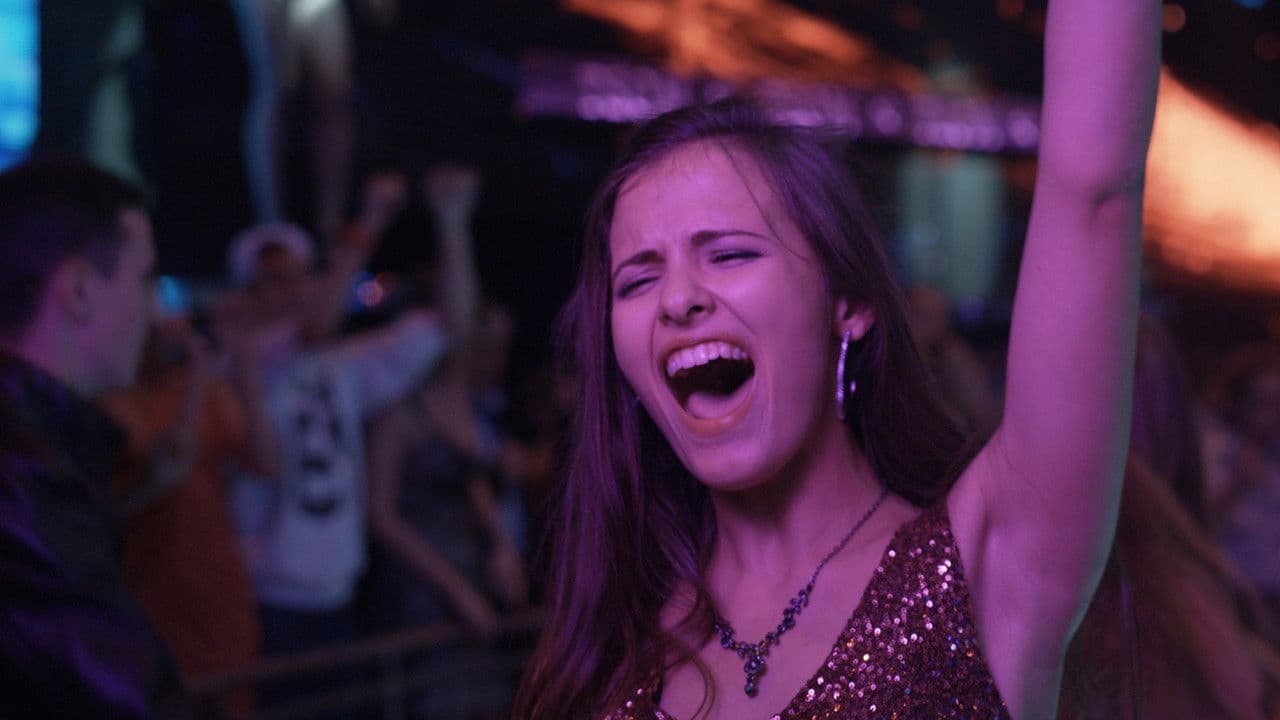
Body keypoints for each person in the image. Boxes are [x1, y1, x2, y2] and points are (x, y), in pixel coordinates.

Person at [515, 0, 1161, 717]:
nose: (678, 299)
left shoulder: (989, 567)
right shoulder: (606, 648)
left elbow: (1094, 189)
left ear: (847, 303)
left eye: (729, 254)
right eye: (637, 281)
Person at [0, 159, 188, 717]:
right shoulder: (24, 477)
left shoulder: (35, 448)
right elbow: (127, 693)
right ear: (80, 290)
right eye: (145, 279)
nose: (155, 310)